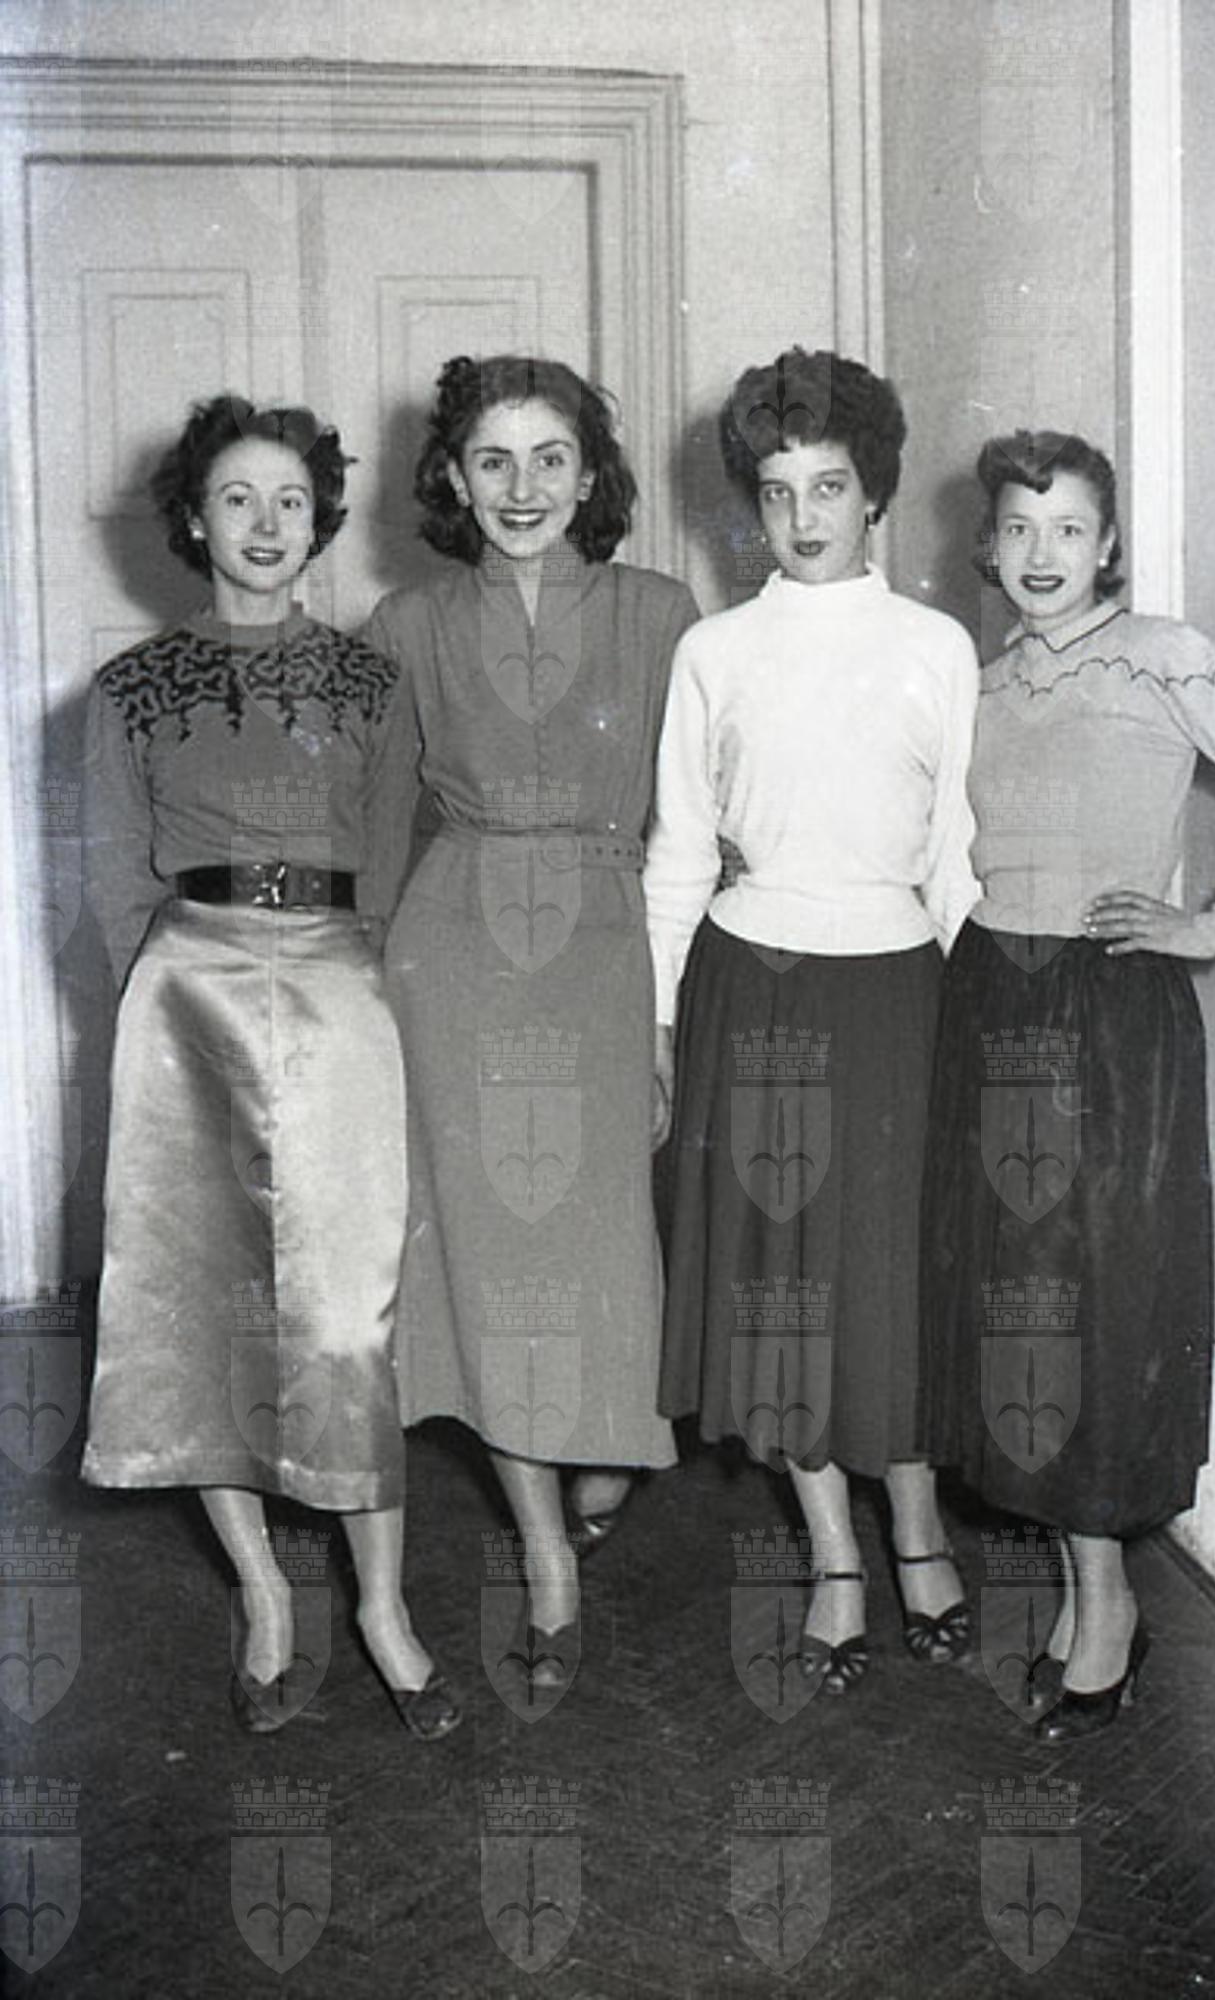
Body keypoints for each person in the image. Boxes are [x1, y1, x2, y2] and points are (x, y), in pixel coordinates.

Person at [81, 395, 460, 1741]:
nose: (264, 522)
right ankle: (265, 1598)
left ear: (319, 522)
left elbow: (389, 864)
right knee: (204, 1308)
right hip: (186, 998)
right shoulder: (127, 690)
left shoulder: (371, 682)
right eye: (235, 498)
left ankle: (385, 1612)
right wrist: (165, 1005)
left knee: (352, 1315)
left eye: (289, 500)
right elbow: (115, 883)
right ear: (193, 520)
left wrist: (347, 989)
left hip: (338, 989)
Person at [919, 429, 1215, 1740]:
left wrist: (1212, 923)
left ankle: (1108, 1606)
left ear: (1110, 544)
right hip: (991, 999)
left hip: (1110, 1016)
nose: (1042, 554)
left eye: (1070, 528)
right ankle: (1092, 1601)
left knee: (1095, 1303)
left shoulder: (1162, 654)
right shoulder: (978, 683)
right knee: (1018, 1304)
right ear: (989, 544)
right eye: (1019, 528)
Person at [646, 349, 979, 1694]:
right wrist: (661, 1028)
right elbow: (679, 852)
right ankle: (836, 1557)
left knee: (892, 1285)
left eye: (829, 487)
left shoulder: (936, 649)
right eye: (777, 491)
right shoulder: (713, 652)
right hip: (751, 986)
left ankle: (918, 1534)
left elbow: (955, 856)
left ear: (873, 493)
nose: (802, 517)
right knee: (781, 1291)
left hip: (897, 992)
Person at [362, 355, 698, 1688]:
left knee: (606, 1241)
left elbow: (695, 829)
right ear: (452, 477)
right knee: (490, 1263)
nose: (521, 488)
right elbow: (379, 831)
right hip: (451, 955)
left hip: (610, 949)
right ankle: (547, 1555)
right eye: (492, 460)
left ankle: (604, 1462)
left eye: (549, 458)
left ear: (590, 473)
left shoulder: (663, 614)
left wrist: (668, 1015)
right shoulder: (406, 623)